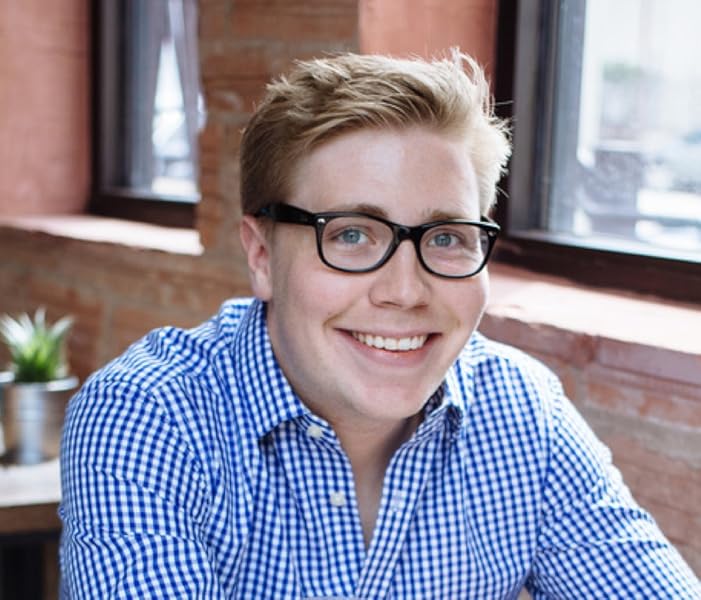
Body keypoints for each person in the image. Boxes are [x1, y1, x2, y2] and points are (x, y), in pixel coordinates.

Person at [59, 51, 700, 599]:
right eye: (352, 234)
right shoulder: (151, 416)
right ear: (261, 256)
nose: (405, 291)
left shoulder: (522, 411)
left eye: (445, 237)